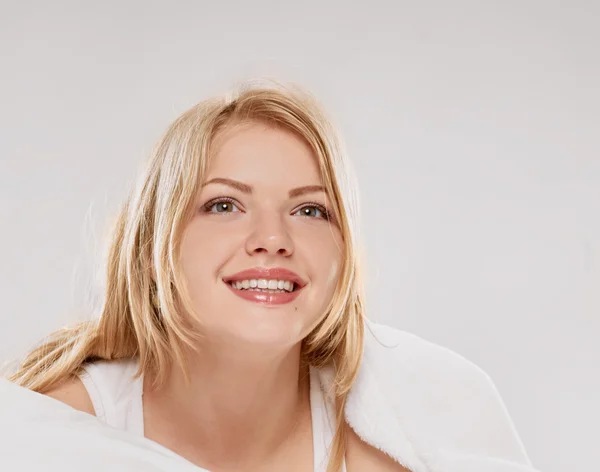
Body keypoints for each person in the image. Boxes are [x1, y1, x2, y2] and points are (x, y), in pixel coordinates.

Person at [4, 82, 538, 472]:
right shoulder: (50, 438)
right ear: (152, 246)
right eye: (224, 204)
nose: (272, 238)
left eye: (310, 211)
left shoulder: (409, 437)